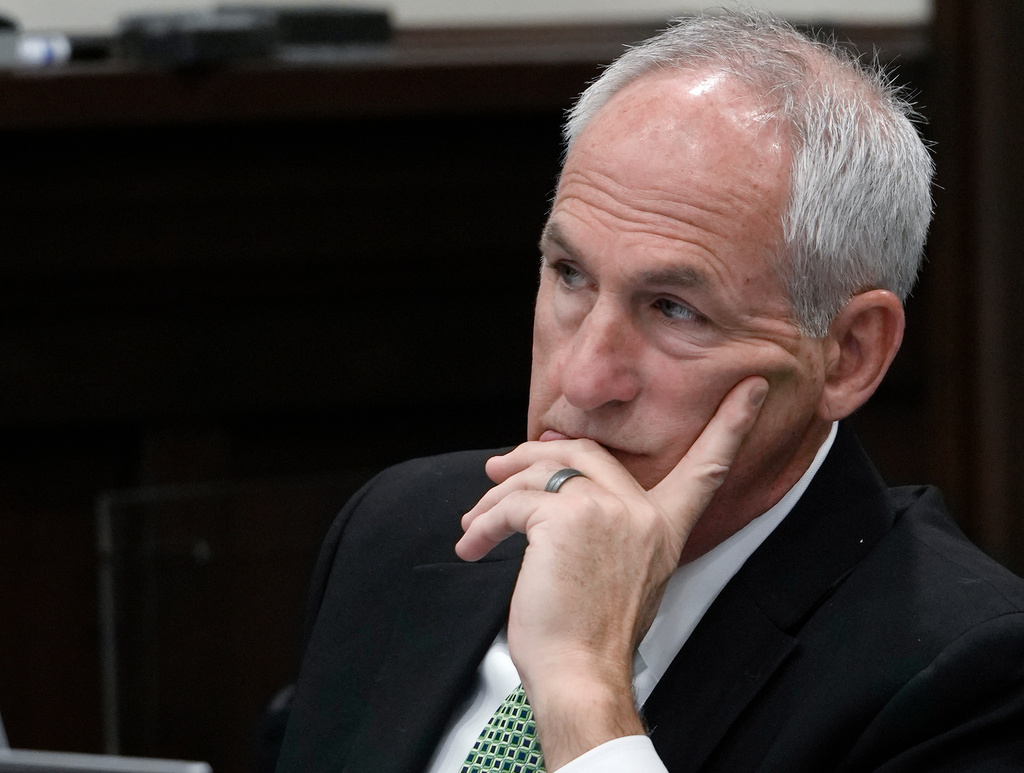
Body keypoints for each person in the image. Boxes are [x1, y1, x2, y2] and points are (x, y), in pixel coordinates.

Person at [275, 9, 1024, 772]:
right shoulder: (402, 532)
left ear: (848, 355)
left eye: (675, 309)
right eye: (570, 274)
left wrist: (582, 688)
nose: (584, 377)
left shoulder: (968, 675)